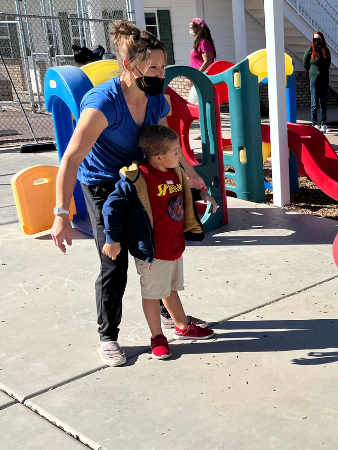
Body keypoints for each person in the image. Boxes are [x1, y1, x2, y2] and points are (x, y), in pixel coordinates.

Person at [51, 20, 207, 367]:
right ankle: (108, 337)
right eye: (152, 67)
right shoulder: (103, 103)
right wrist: (61, 214)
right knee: (115, 261)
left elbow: (168, 145)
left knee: (160, 250)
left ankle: (170, 319)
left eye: (163, 66)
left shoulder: (156, 100)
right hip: (105, 185)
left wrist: (191, 177)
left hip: (141, 180)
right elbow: (72, 159)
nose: (159, 73)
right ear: (128, 66)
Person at [101, 126, 217, 359]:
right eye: (176, 152)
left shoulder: (175, 172)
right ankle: (157, 337)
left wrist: (201, 195)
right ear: (158, 157)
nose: (180, 156)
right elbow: (111, 207)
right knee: (153, 294)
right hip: (152, 251)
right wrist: (112, 238)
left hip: (173, 246)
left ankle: (182, 327)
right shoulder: (138, 177)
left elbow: (181, 192)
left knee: (169, 288)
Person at [303, 31, 331, 133]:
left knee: (323, 102)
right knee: (314, 102)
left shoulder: (326, 51)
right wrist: (312, 74)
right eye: (315, 38)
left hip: (324, 80)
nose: (316, 40)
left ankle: (323, 123)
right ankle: (314, 123)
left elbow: (328, 64)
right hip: (314, 80)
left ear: (322, 39)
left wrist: (322, 73)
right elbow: (305, 63)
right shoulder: (310, 50)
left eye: (318, 38)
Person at [187, 18, 217, 105]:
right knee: (198, 105)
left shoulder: (203, 42)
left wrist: (196, 76)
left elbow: (207, 61)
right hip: (201, 77)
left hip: (201, 77)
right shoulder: (201, 42)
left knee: (192, 105)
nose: (190, 30)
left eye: (192, 27)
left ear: (199, 28)